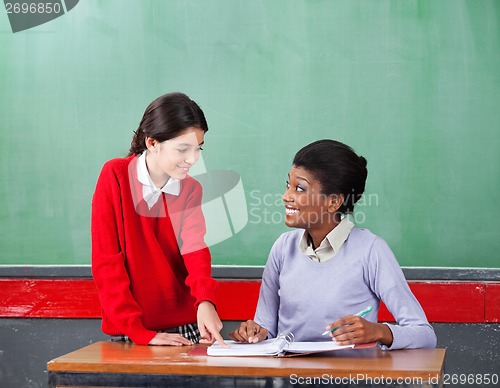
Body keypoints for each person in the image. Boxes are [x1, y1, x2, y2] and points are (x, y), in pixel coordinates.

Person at [230, 140, 436, 350]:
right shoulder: (283, 248)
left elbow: (424, 334)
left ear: (334, 202)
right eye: (288, 185)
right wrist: (255, 332)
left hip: (346, 379)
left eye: (300, 188)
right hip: (288, 379)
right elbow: (267, 329)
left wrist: (379, 331)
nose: (286, 196)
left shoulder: (370, 250)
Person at [92, 92, 226, 346]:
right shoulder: (116, 176)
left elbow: (195, 248)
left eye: (198, 148)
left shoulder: (190, 188)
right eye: (183, 149)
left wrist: (205, 301)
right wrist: (139, 331)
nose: (193, 159)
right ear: (152, 143)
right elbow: (106, 261)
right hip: (132, 329)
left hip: (185, 328)